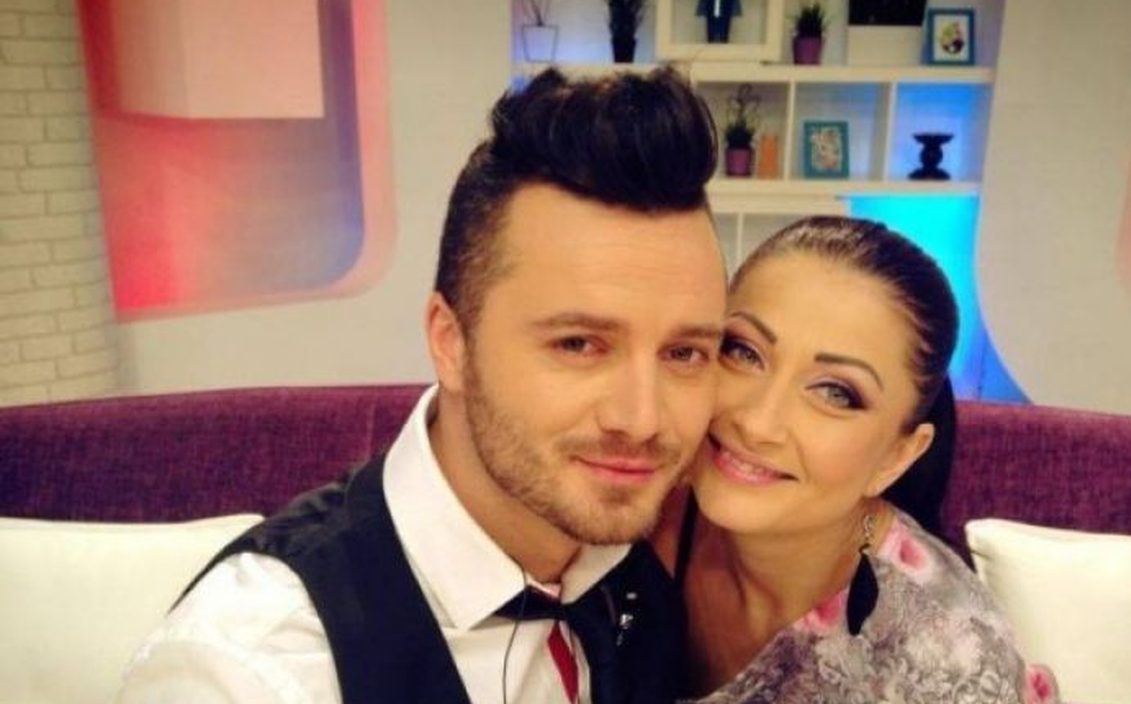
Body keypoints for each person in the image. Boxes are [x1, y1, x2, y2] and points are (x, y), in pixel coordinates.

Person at [117, 67, 729, 704]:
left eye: (684, 353)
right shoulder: (254, 671)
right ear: (450, 341)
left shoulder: (652, 571)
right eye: (578, 344)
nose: (641, 419)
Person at [653, 216, 1060, 704]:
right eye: (743, 352)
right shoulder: (642, 505)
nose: (757, 423)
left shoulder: (945, 664)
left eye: (836, 393)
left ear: (897, 456)